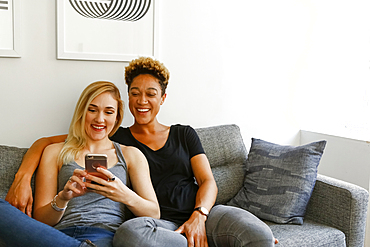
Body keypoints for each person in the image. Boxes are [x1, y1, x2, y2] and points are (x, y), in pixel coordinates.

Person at [6, 58, 277, 247]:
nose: (142, 100)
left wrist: (200, 215)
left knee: (258, 237)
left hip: (203, 215)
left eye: (150, 93)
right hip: (155, 231)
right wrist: (28, 180)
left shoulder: (182, 134)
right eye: (135, 93)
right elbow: (51, 142)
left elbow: (207, 181)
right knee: (130, 235)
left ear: (162, 98)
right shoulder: (117, 136)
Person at [0, 81, 159, 247]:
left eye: (109, 112)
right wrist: (63, 198)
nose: (99, 119)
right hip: (57, 238)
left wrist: (122, 193)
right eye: (92, 110)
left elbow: (154, 213)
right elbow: (42, 220)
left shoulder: (131, 155)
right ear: (82, 112)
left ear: (117, 117)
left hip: (104, 238)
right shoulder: (54, 152)